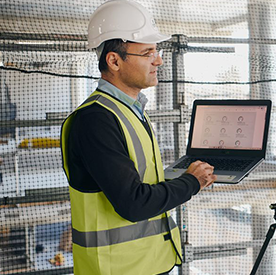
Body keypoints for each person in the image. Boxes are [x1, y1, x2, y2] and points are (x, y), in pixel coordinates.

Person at [60, 0, 216, 274]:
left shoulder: (128, 111)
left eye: (157, 51)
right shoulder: (95, 120)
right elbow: (133, 202)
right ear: (114, 60)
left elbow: (139, 182)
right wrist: (191, 182)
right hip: (117, 269)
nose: (158, 60)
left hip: (146, 264)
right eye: (147, 53)